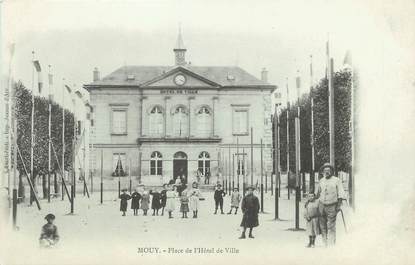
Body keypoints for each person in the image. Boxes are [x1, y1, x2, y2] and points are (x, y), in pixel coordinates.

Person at [315, 163, 346, 247]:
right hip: (322, 206)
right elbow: (317, 194)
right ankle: (325, 243)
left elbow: (341, 193)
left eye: (328, 170)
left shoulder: (337, 180)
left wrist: (338, 206)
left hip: (332, 206)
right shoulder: (321, 180)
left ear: (331, 171)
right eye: (325, 170)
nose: (327, 172)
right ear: (323, 172)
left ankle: (331, 244)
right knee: (322, 226)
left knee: (331, 226)